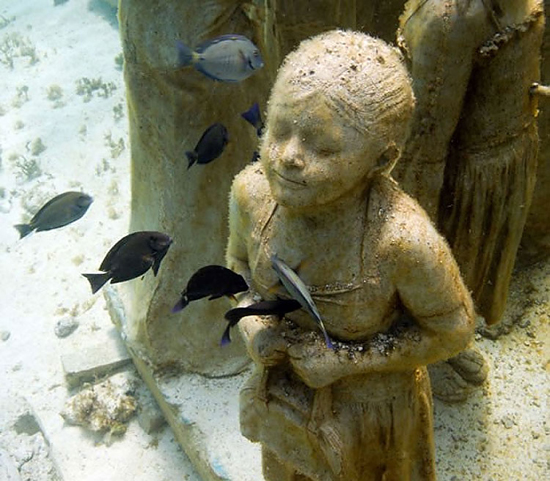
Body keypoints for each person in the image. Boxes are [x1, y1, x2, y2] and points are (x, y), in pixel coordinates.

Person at [226, 30, 474, 480]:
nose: (288, 157)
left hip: (371, 414)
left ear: (380, 161)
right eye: (278, 130)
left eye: (322, 147)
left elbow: (454, 330)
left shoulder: (401, 243)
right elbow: (237, 267)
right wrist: (250, 322)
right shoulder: (252, 194)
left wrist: (349, 361)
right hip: (282, 401)